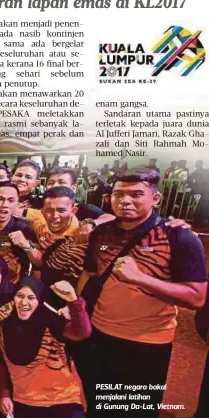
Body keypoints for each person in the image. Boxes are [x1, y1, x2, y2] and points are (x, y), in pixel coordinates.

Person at [76, 169, 207, 417]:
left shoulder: (179, 237)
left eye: (136, 194)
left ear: (155, 199)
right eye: (118, 194)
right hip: (99, 335)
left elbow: (197, 296)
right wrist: (77, 311)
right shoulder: (101, 233)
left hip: (147, 343)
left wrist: (139, 278)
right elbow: (89, 274)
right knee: (99, 406)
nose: (125, 201)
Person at [0, 277, 91, 418]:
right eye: (20, 296)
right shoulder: (3, 329)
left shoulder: (51, 322)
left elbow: (82, 332)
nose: (24, 302)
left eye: (31, 298)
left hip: (63, 400)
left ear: (39, 300)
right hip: (25, 401)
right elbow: (0, 365)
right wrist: (4, 394)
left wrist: (73, 300)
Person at [0, 181, 37, 283]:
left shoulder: (24, 228)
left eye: (11, 200)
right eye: (0, 199)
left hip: (12, 286)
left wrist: (26, 246)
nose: (5, 205)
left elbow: (39, 262)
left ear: (17, 204)